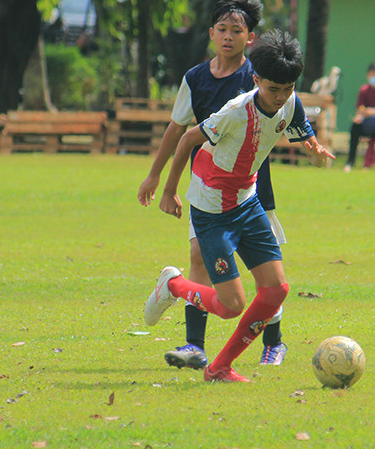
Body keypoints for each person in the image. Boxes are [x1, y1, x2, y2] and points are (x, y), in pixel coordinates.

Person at [143, 30, 334, 383]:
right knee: (231, 306)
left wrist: (312, 144)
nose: (280, 97)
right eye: (273, 89)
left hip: (247, 202)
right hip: (213, 210)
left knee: (276, 291)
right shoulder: (234, 113)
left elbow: (298, 121)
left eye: (288, 88)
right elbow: (187, 139)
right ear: (256, 79)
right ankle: (173, 285)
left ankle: (219, 368)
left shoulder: (290, 101)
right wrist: (169, 190)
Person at [138, 0, 290, 370]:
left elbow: (289, 113)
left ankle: (274, 343)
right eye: (222, 29)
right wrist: (156, 175)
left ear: (249, 37)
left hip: (253, 188)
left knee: (267, 271)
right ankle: (195, 346)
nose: (228, 37)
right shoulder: (196, 78)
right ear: (210, 33)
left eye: (236, 31)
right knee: (199, 261)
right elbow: (179, 127)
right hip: (208, 190)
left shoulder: (259, 76)